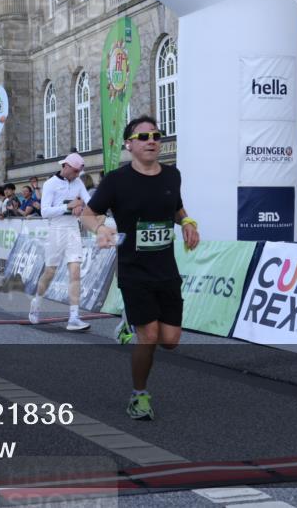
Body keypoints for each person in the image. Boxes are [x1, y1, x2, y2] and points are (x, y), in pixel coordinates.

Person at [80, 115, 200, 421]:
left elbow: (176, 206)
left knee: (170, 341)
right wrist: (101, 229)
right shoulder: (116, 181)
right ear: (129, 145)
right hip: (134, 270)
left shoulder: (172, 176)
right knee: (149, 336)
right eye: (143, 137)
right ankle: (139, 395)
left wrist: (187, 222)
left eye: (156, 136)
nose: (151, 141)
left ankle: (129, 321)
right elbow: (87, 214)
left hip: (166, 269)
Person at [29, 152, 92, 332]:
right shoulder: (50, 184)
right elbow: (44, 212)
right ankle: (36, 303)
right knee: (50, 271)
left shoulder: (78, 182)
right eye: (75, 171)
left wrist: (82, 207)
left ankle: (74, 317)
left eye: (79, 172)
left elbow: (90, 202)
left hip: (72, 229)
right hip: (56, 230)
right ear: (65, 166)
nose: (77, 175)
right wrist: (68, 206)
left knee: (75, 271)